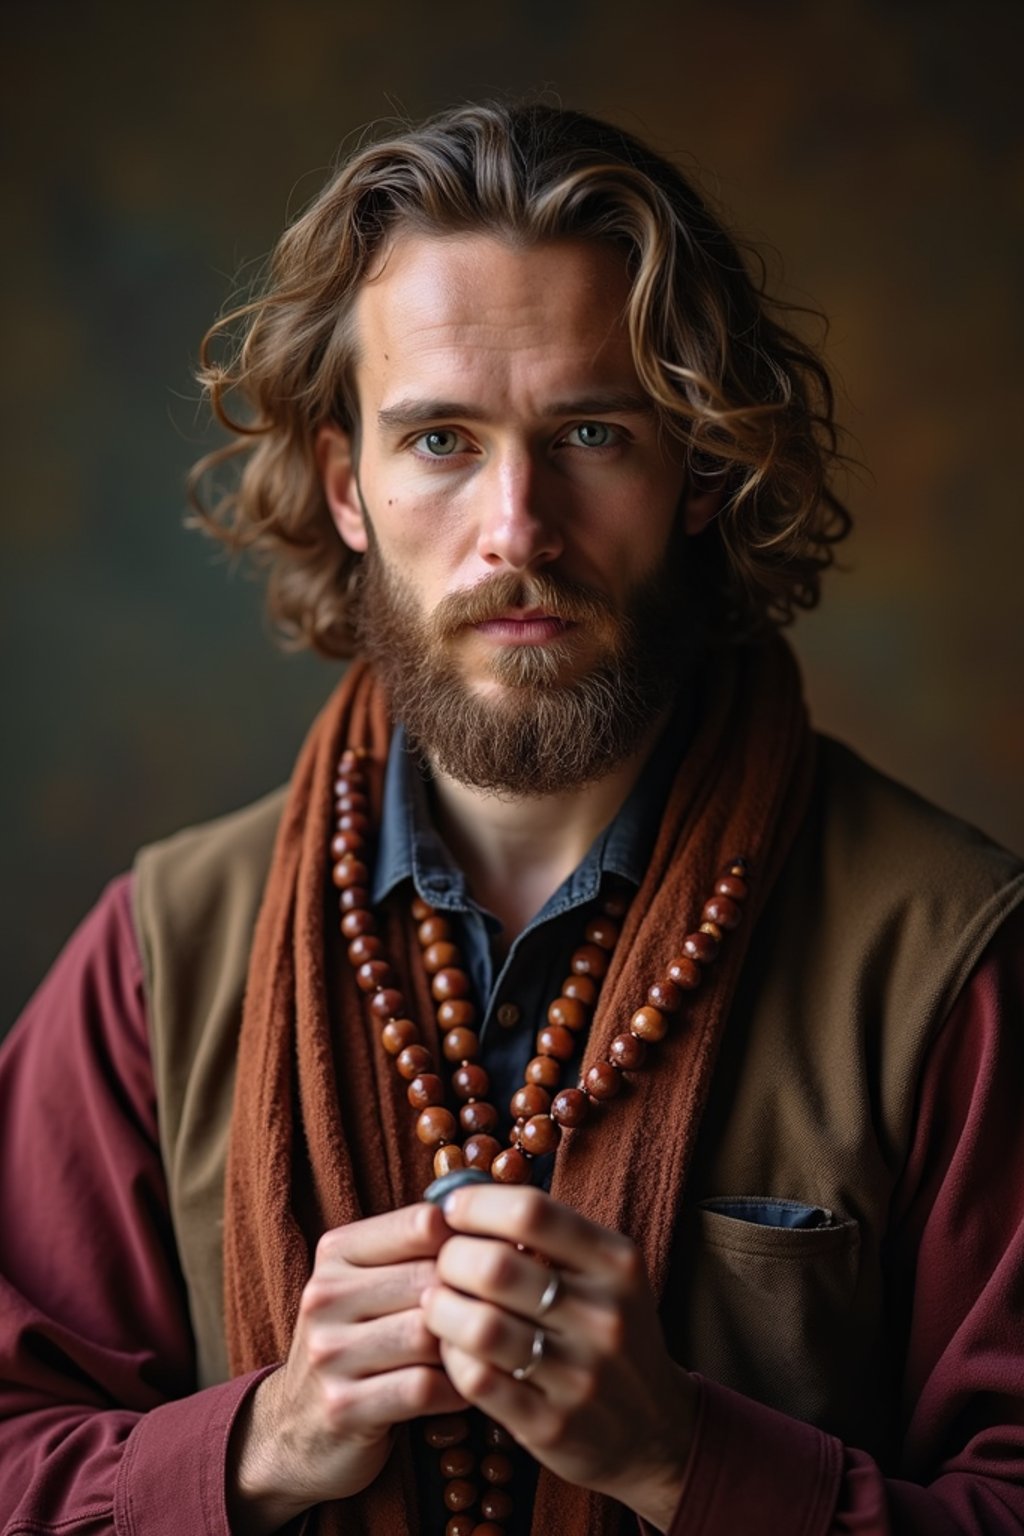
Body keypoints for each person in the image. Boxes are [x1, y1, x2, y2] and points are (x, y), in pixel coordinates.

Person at [1, 101, 1022, 1536]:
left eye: (592, 432)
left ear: (702, 473)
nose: (518, 527)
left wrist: (685, 1457)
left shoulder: (950, 961)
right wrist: (261, 1441)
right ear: (346, 481)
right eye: (440, 441)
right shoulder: (161, 956)